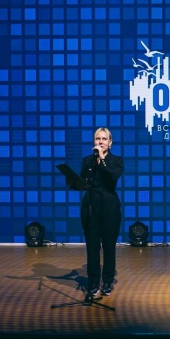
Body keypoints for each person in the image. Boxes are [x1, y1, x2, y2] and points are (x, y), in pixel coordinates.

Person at [67, 128, 124, 301]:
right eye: (98, 138)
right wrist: (72, 182)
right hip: (91, 206)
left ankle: (107, 282)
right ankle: (93, 283)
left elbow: (111, 177)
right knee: (92, 247)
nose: (100, 142)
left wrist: (102, 159)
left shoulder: (116, 161)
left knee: (108, 246)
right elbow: (83, 184)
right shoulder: (87, 161)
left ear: (110, 142)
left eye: (104, 139)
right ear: (93, 141)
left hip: (109, 206)